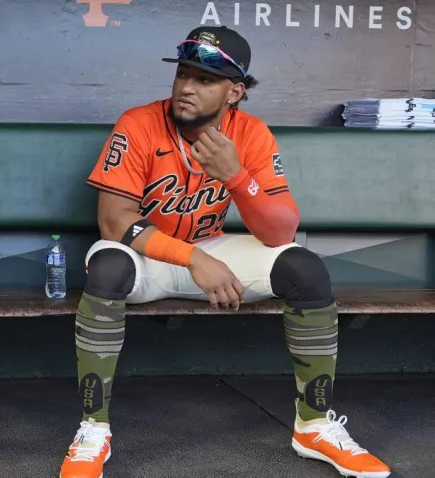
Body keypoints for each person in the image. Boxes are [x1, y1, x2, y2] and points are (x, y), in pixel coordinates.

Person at [59, 26, 391, 478]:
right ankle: (93, 430)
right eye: (183, 74)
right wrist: (195, 260)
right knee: (107, 265)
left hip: (211, 250)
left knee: (304, 268)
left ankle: (313, 425)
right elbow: (116, 222)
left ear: (234, 91)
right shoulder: (138, 123)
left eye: (206, 79)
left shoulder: (250, 134)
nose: (187, 87)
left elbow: (281, 230)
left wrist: (237, 178)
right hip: (149, 257)